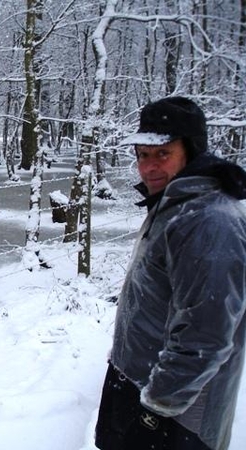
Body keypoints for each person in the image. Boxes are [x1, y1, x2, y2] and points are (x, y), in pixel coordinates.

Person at [94, 96, 246, 450]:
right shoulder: (175, 203)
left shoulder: (208, 220)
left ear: (190, 152)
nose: (149, 167)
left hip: (178, 412)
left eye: (163, 154)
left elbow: (205, 337)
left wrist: (157, 409)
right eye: (143, 155)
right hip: (140, 381)